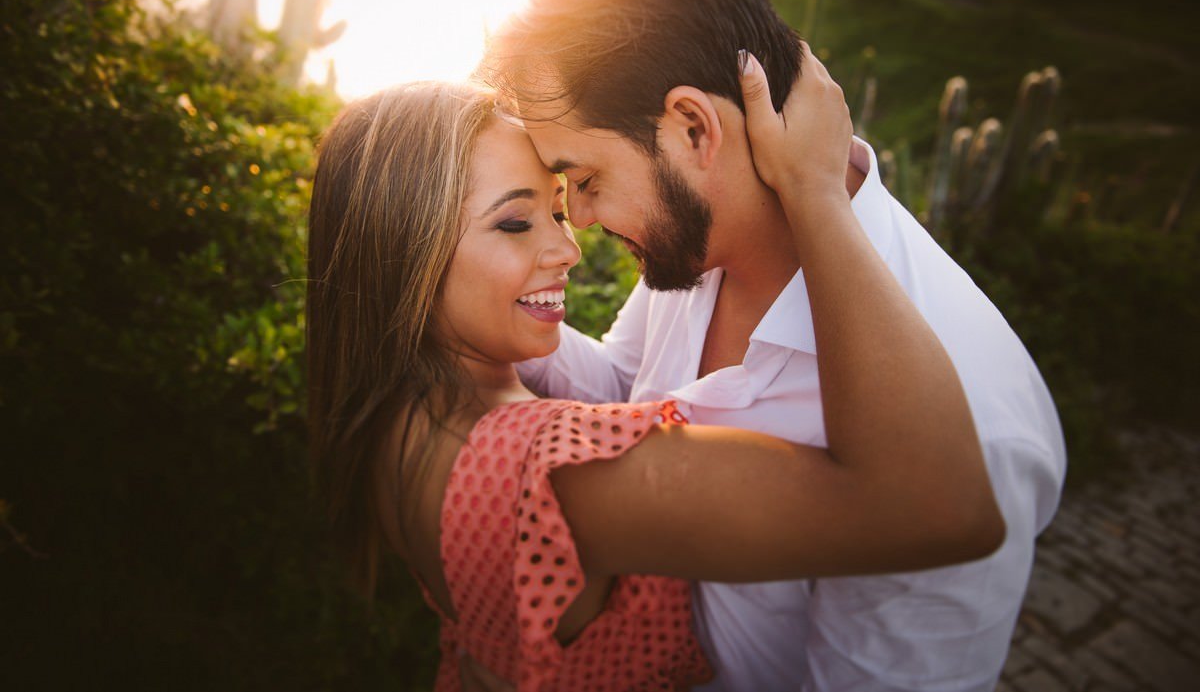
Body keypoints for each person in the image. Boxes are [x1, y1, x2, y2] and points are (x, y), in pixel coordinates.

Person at [481, 0, 1067, 692]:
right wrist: (478, 320)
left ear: (693, 128)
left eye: (585, 181)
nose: (578, 220)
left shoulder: (975, 428)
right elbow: (626, 391)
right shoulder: (705, 239)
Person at [305, 61, 1002, 691]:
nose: (569, 245)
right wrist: (816, 191)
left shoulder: (391, 409)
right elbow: (941, 508)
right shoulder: (553, 474)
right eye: (517, 222)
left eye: (560, 204)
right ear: (405, 256)